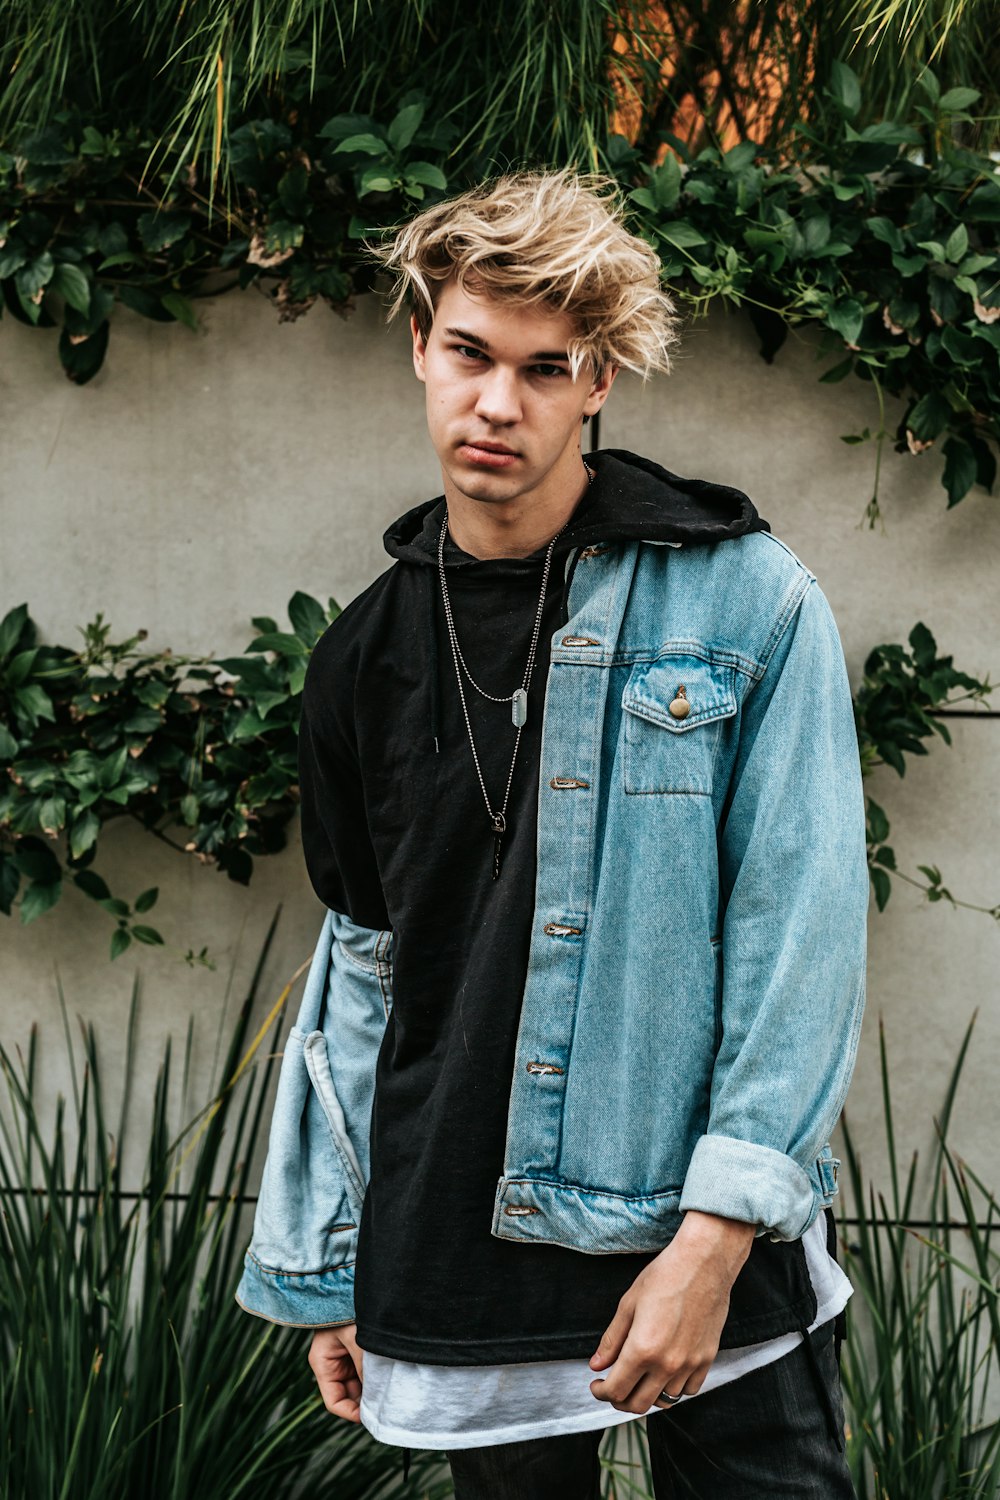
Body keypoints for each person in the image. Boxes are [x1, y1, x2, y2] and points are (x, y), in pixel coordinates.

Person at [236, 170, 869, 1499]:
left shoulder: (747, 602)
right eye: (468, 354)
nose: (496, 404)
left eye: (545, 368)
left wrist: (713, 1241)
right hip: (456, 1257)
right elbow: (366, 971)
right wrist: (328, 1262)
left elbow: (798, 939)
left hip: (703, 1250)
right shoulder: (361, 657)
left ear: (599, 386)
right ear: (420, 345)